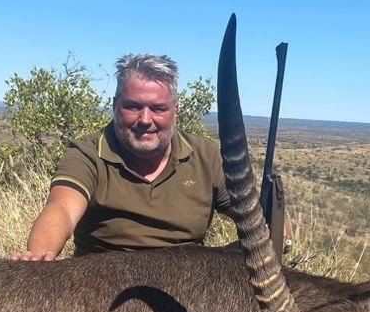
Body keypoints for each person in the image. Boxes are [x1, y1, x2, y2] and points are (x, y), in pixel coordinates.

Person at [12, 54, 231, 261]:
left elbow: (253, 219)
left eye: (158, 108)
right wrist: (40, 254)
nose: (145, 119)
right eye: (133, 106)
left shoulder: (207, 156)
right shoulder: (88, 153)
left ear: (176, 109)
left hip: (190, 283)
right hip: (100, 283)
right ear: (115, 105)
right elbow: (63, 209)